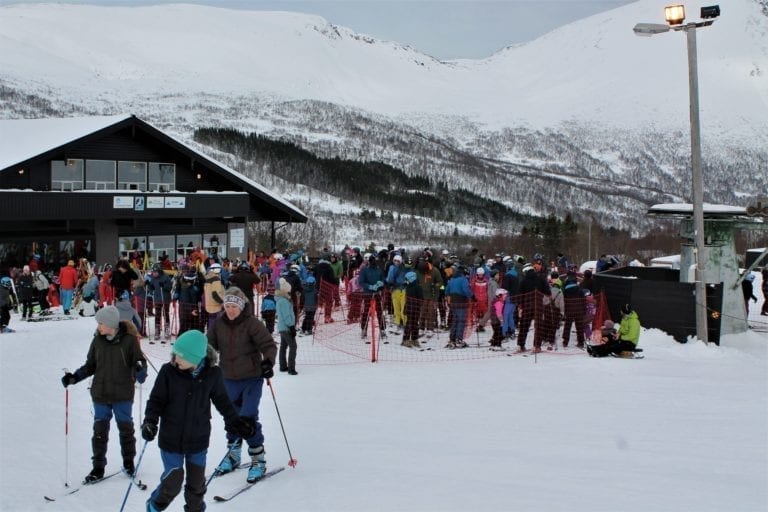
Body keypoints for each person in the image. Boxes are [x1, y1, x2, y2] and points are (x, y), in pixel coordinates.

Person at [141, 330, 256, 512]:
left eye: (181, 356)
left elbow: (223, 402)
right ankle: (154, 506)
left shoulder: (213, 374)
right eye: (175, 354)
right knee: (173, 481)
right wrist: (150, 422)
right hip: (171, 437)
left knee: (196, 485)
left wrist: (237, 422)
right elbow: (156, 400)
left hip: (198, 437)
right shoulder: (168, 372)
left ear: (196, 358)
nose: (175, 359)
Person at [61, 305, 147, 482]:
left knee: (126, 429)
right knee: (99, 432)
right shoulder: (97, 341)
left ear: (110, 324)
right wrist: (74, 377)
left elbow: (140, 363)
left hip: (122, 394)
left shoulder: (129, 341)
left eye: (101, 323)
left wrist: (140, 370)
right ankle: (98, 467)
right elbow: (90, 365)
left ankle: (128, 461)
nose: (98, 326)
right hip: (100, 393)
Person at [207, 287, 277, 482]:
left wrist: (268, 362)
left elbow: (268, 345)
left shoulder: (252, 324)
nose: (230, 310)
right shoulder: (218, 325)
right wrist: (203, 361)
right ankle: (233, 454)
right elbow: (209, 345)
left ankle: (258, 460)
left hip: (251, 378)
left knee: (247, 418)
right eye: (227, 306)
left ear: (241, 306)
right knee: (231, 418)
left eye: (233, 306)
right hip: (227, 378)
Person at [275, 278, 298, 374]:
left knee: (283, 346)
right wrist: (291, 326)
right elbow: (286, 315)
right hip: (286, 328)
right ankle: (291, 368)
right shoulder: (283, 301)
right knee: (293, 346)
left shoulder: (281, 299)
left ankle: (283, 366)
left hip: (282, 327)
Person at [402, 270, 423, 348]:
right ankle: (405, 339)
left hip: (416, 308)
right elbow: (407, 298)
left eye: (407, 279)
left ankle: (414, 339)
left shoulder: (417, 287)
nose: (406, 280)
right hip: (409, 307)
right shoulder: (408, 286)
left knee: (414, 324)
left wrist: (419, 304)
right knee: (409, 323)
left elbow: (421, 298)